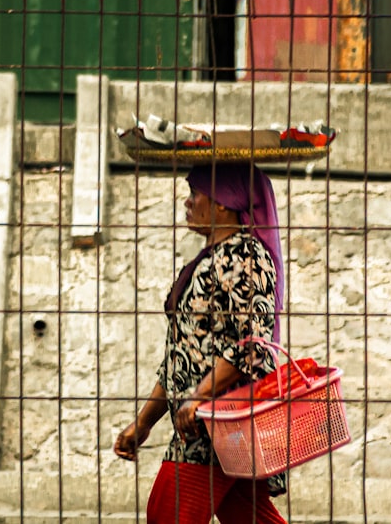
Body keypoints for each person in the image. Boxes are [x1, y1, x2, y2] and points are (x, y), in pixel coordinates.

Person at [113, 162, 288, 523]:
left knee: (167, 514)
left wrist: (198, 397)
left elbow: (252, 346)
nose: (187, 202)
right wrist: (144, 423)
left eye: (195, 193)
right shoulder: (208, 261)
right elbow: (182, 357)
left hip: (218, 423)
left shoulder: (246, 258)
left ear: (224, 202)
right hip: (201, 421)